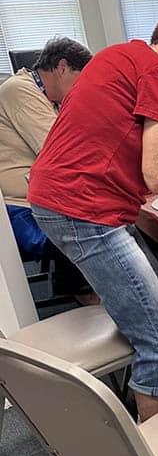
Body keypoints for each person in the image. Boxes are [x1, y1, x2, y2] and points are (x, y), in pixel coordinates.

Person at [28, 13, 158, 422]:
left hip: (56, 199)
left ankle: (153, 392)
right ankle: (157, 441)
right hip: (84, 209)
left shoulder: (117, 55)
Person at [0, 37, 96, 301]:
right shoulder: (18, 90)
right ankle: (85, 295)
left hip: (40, 195)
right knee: (90, 224)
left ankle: (79, 287)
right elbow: (59, 152)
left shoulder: (47, 98)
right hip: (17, 207)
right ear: (62, 68)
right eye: (81, 79)